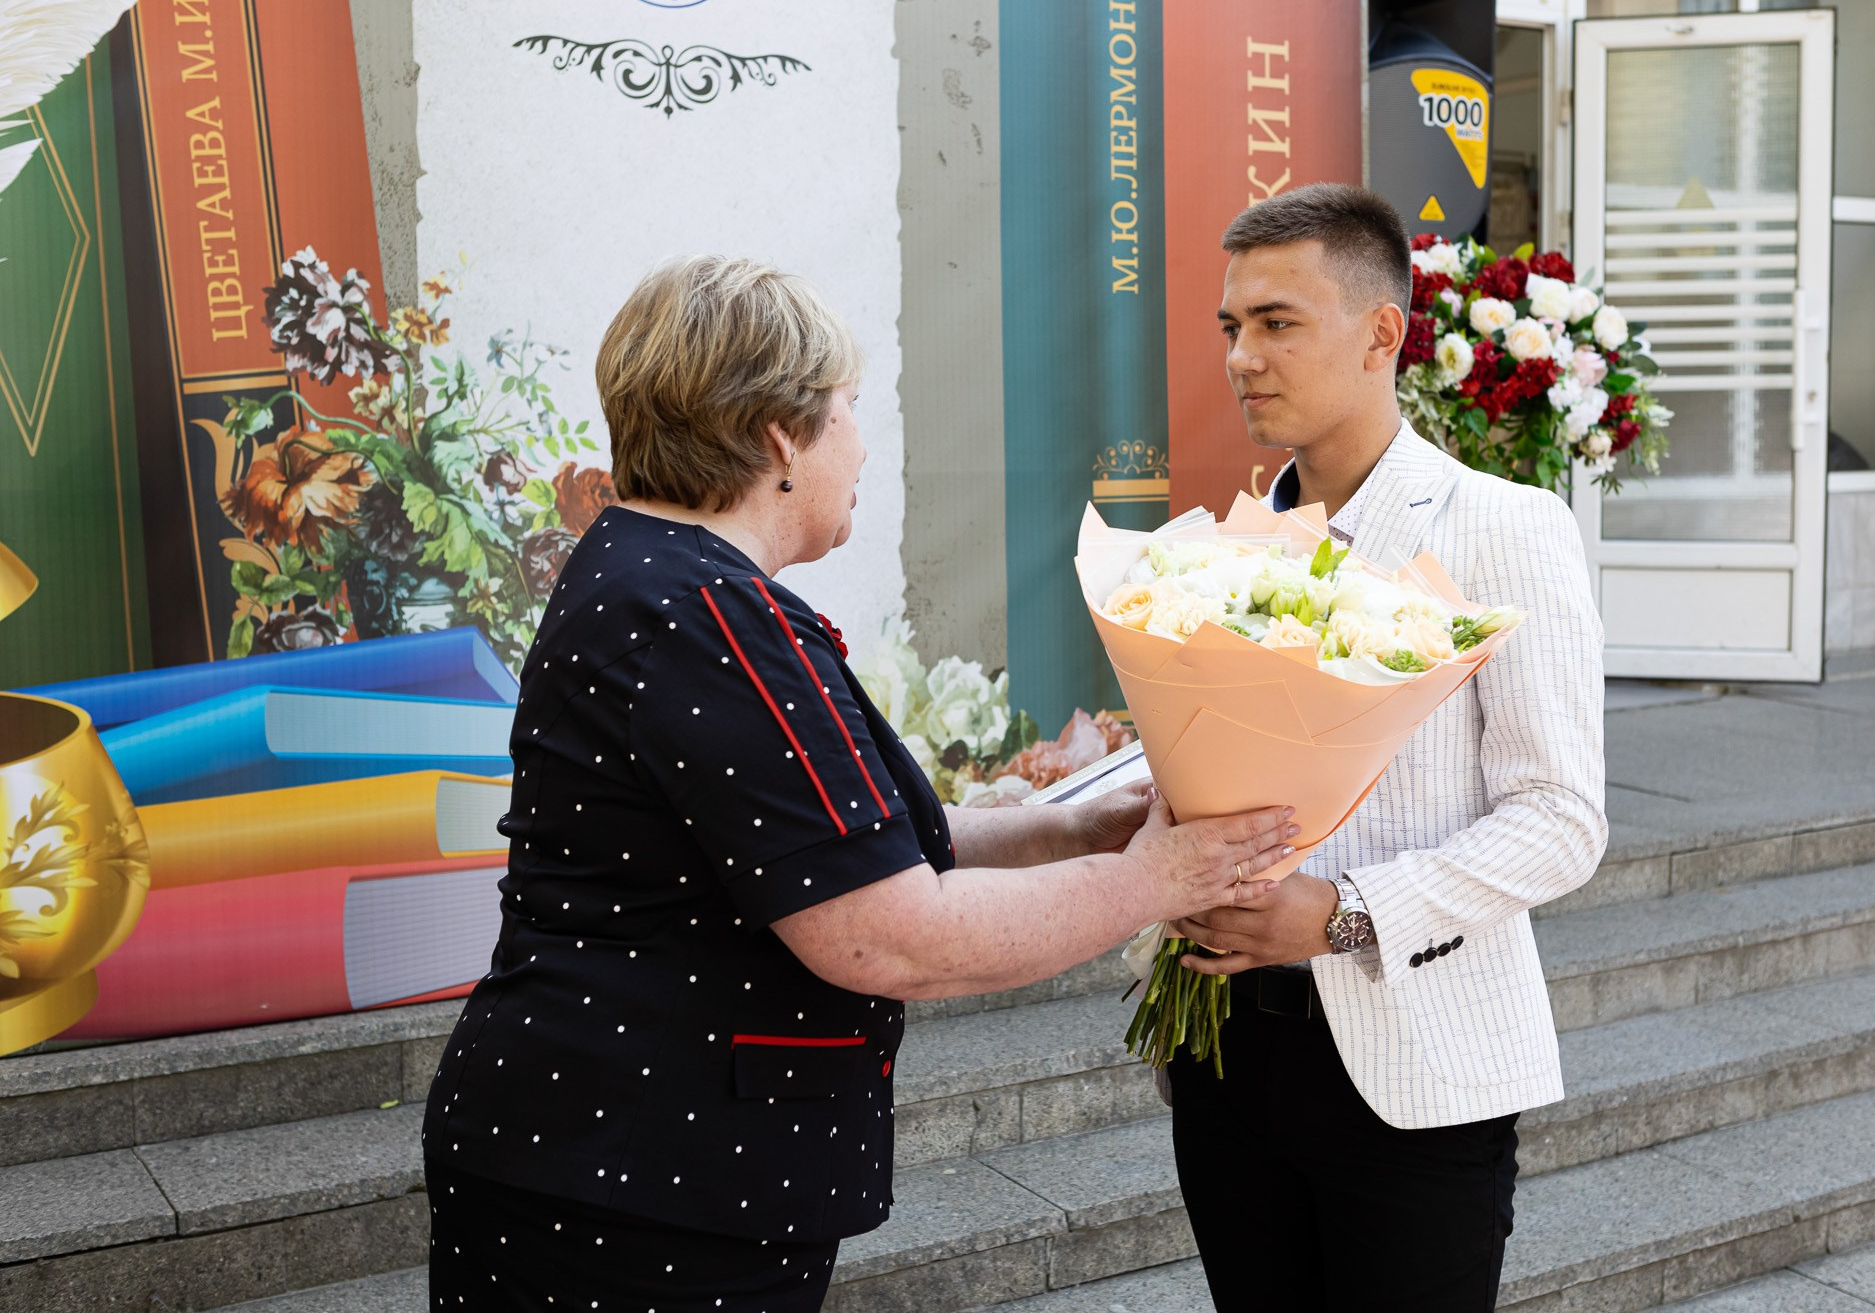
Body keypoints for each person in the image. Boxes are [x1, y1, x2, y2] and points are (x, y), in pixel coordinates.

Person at [421, 254, 1298, 1311]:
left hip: (618, 1162)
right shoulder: (703, 614)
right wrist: (1157, 877)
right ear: (779, 439)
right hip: (642, 1189)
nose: (864, 443)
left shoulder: (653, 575)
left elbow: (836, 846)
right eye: (848, 408)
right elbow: (890, 934)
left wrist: (1070, 830)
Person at [1166, 184, 1608, 1310]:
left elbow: (1560, 818)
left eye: (1277, 323)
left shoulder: (1502, 527)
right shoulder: (1231, 545)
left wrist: (1343, 912)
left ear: (1380, 334)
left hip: (1419, 1063)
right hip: (1225, 1054)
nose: (1241, 357)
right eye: (1231, 326)